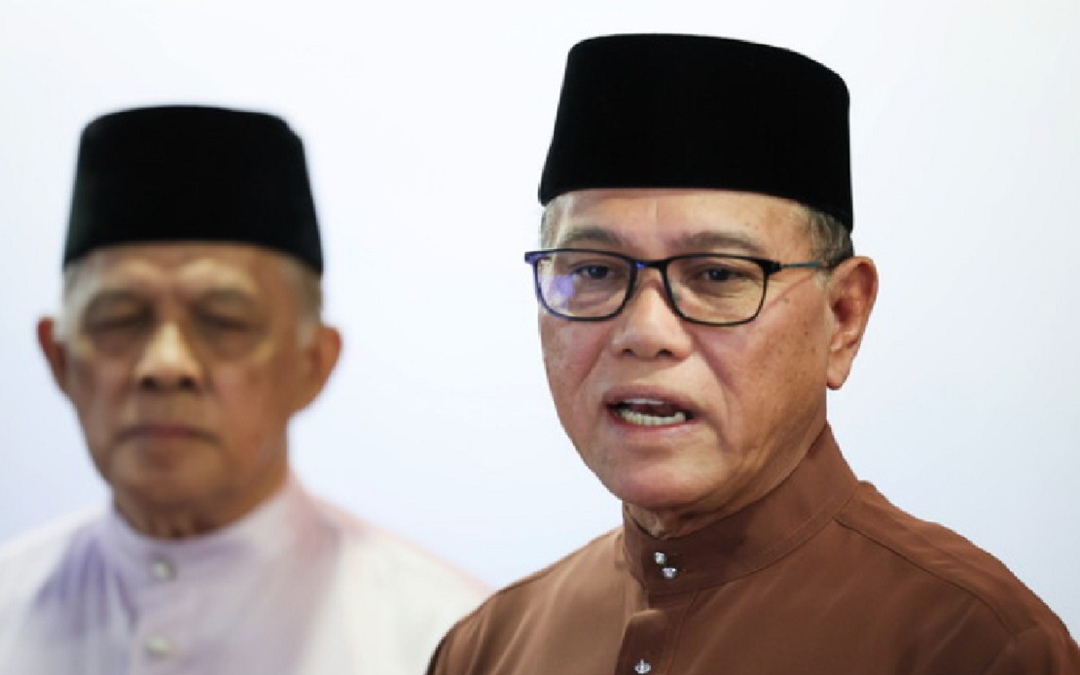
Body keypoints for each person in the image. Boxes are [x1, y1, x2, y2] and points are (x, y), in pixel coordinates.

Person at [427, 34, 1079, 674]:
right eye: (594, 270)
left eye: (717, 275)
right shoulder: (490, 647)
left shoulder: (971, 647)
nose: (645, 330)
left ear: (843, 316)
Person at [0, 105, 484, 675]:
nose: (166, 365)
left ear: (313, 364)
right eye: (120, 319)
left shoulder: (446, 643)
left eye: (223, 322)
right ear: (59, 358)